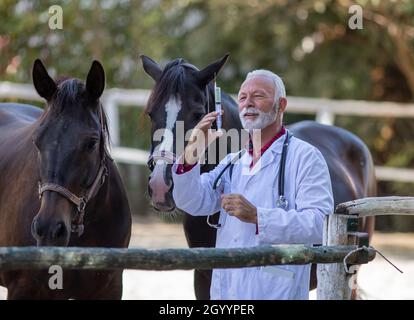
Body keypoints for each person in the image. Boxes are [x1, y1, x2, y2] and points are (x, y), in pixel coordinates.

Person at [172, 69, 333, 300]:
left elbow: (320, 223)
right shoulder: (233, 162)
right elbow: (192, 201)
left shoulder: (305, 157)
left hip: (277, 287)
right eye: (243, 97)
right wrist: (191, 154)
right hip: (227, 291)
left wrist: (259, 216)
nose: (249, 104)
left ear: (281, 105)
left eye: (259, 96)